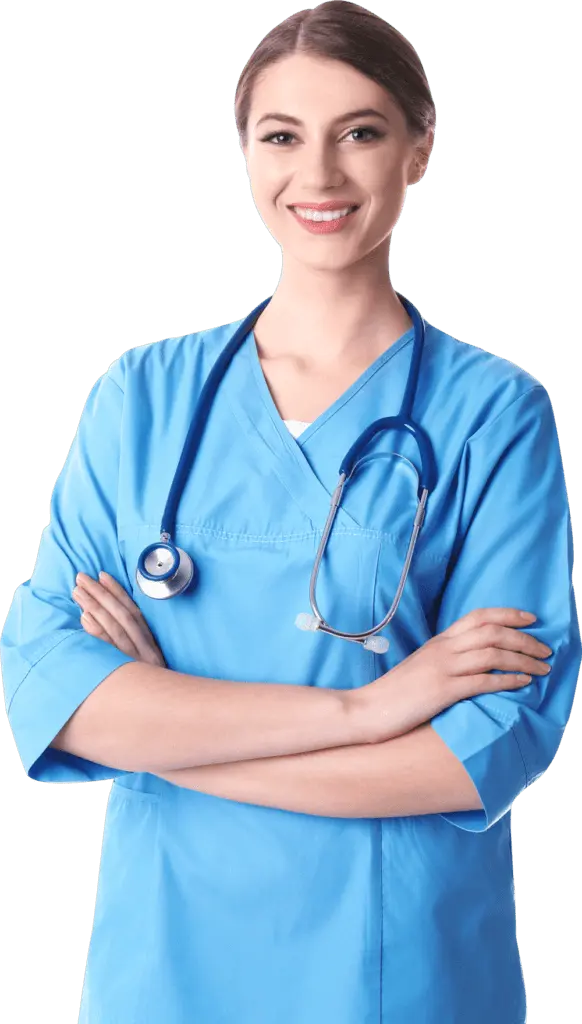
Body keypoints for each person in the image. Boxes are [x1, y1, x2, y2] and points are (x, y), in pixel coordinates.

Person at [1, 2, 580, 1022]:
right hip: (165, 966)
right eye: (281, 136)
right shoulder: (142, 398)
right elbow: (53, 685)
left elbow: (485, 740)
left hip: (398, 965)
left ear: (419, 150)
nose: (318, 175)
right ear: (245, 153)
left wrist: (165, 731)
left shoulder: (493, 414)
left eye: (360, 132)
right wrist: (370, 707)